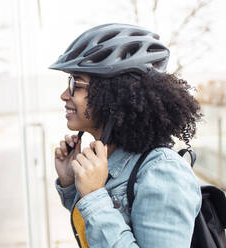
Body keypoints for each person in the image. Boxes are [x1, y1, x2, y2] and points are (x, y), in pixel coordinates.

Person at [50, 23, 202, 247]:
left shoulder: (161, 171)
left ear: (111, 94)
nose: (65, 95)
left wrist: (93, 196)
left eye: (76, 83)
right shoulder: (109, 158)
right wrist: (72, 185)